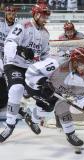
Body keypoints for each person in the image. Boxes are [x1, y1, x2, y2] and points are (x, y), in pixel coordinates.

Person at [24, 47, 84, 147]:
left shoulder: (80, 77)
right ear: (74, 62)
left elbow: (82, 94)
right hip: (35, 87)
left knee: (54, 108)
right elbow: (31, 70)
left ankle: (31, 119)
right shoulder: (56, 63)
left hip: (54, 90)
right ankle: (69, 133)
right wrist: (43, 81)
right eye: (82, 65)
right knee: (51, 108)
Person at [0, 0, 51, 142]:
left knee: (46, 96)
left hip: (31, 68)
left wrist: (47, 72)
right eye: (42, 15)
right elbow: (9, 42)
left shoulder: (46, 34)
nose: (45, 18)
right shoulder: (23, 25)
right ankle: (9, 126)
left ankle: (32, 118)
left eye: (46, 16)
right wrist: (20, 50)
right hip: (14, 64)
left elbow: (46, 55)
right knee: (16, 89)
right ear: (35, 14)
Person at [0, 5, 17, 110]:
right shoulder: (0, 23)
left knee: (11, 78)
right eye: (9, 14)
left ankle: (10, 101)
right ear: (5, 13)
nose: (11, 16)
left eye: (13, 14)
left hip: (10, 55)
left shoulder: (18, 26)